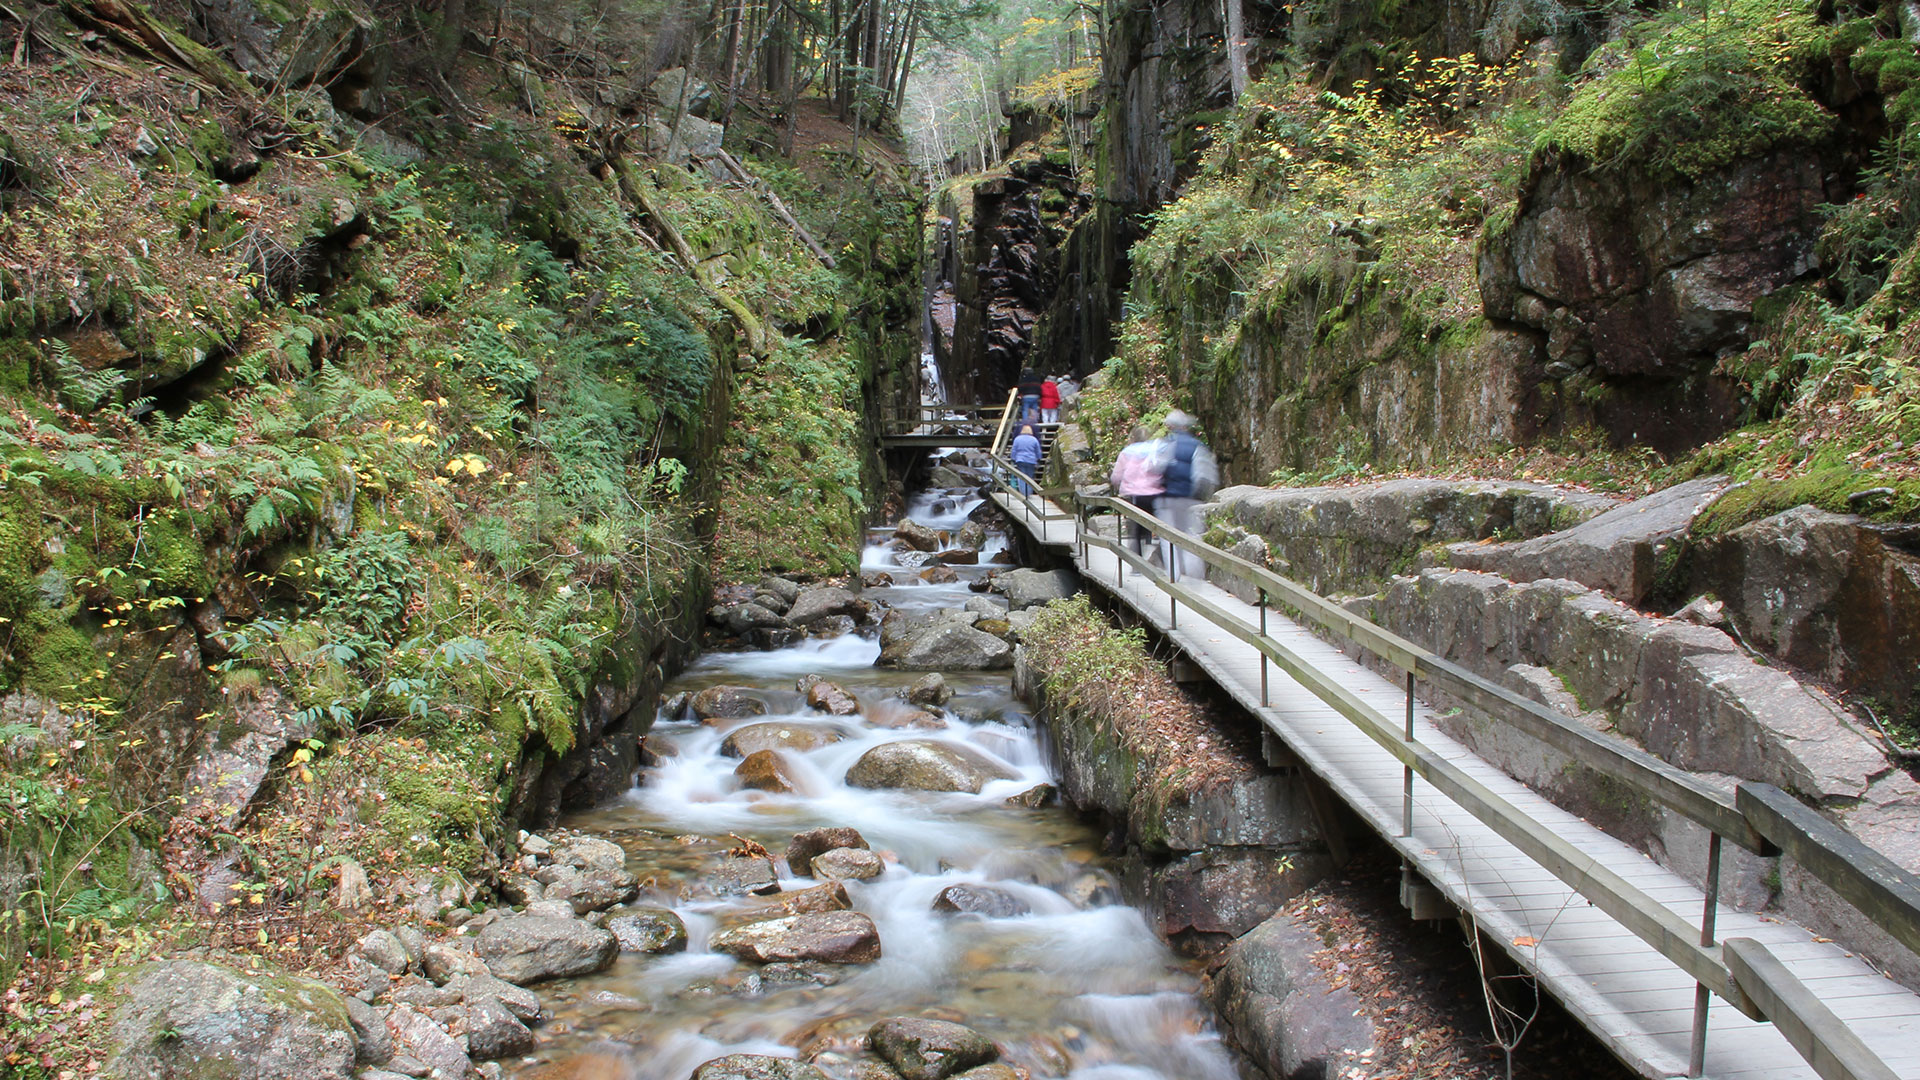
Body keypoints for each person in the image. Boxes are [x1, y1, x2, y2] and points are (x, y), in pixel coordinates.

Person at [1154, 410, 1218, 580]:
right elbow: (1204, 474)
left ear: (1170, 426)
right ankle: (1195, 576)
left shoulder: (1166, 444)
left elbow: (1155, 467)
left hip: (1167, 498)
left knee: (1168, 537)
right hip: (1189, 498)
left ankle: (1173, 576)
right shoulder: (1197, 446)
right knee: (1190, 534)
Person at [1109, 424, 1164, 558]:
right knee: (1160, 525)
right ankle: (1163, 558)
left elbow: (1117, 475)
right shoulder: (1156, 448)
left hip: (1137, 493)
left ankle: (1137, 563)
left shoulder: (1127, 452)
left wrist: (1115, 483)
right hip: (1155, 491)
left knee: (1137, 529)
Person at [1010, 423, 1043, 495]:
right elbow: (1038, 450)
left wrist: (1013, 458)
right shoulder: (1034, 440)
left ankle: (1023, 493)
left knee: (1021, 477)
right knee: (1030, 477)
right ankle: (1029, 493)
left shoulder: (1017, 439)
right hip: (1031, 460)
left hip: (1020, 460)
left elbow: (1014, 450)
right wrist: (1039, 458)